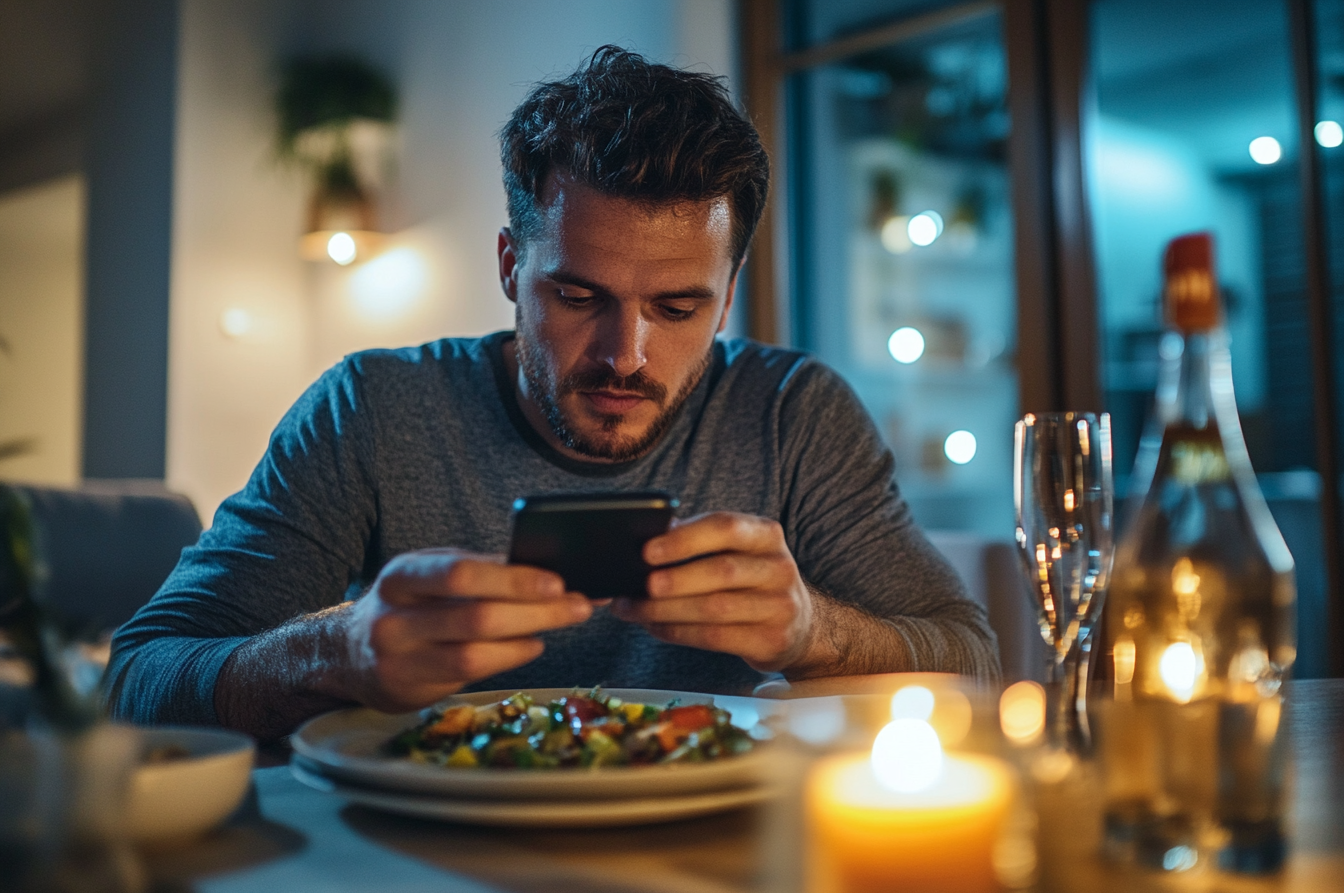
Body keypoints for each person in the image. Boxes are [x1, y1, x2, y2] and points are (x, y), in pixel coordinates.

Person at [106, 47, 998, 742]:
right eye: (578, 297)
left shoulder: (793, 412)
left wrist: (814, 634)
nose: (626, 356)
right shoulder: (368, 411)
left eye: (678, 307)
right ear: (509, 267)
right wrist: (333, 653)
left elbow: (973, 655)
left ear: (727, 298)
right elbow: (140, 676)